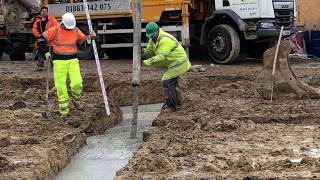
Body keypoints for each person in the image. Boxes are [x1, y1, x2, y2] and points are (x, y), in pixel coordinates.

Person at [38, 12, 96, 118]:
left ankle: (76, 99)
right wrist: (45, 51)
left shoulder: (75, 30)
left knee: (77, 83)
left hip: (73, 60)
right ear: (63, 23)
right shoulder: (55, 30)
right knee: (61, 87)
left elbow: (84, 44)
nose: (70, 29)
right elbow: (41, 39)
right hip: (58, 62)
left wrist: (90, 38)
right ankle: (64, 111)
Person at [142, 22, 191, 111]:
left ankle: (171, 107)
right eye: (150, 36)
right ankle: (178, 103)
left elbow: (161, 56)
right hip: (172, 64)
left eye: (152, 35)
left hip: (179, 63)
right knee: (173, 83)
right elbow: (150, 51)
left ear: (157, 31)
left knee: (167, 81)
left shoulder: (165, 40)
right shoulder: (153, 39)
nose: (151, 37)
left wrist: (146, 62)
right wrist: (142, 52)